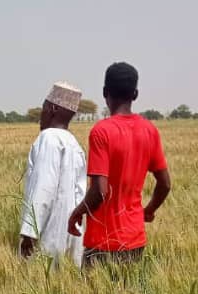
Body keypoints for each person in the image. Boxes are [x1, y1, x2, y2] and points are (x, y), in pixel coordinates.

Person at [68, 62, 171, 266]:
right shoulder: (149, 130)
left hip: (102, 243)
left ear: (105, 92)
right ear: (135, 94)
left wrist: (77, 213)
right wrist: (148, 210)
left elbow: (100, 191)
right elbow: (165, 184)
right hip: (135, 240)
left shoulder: (102, 131)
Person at [19, 82, 87, 266]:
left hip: (49, 232)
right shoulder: (75, 144)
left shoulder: (48, 138)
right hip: (73, 234)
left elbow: (43, 188)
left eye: (43, 108)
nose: (41, 115)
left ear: (53, 108)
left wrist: (29, 233)